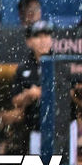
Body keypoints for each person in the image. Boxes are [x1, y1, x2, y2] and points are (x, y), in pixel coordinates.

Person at [11, 20, 53, 155]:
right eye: (38, 36)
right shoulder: (24, 68)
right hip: (36, 128)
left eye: (46, 35)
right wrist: (28, 95)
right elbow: (15, 101)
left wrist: (41, 92)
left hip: (62, 127)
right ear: (29, 41)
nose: (43, 40)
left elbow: (71, 92)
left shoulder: (61, 62)